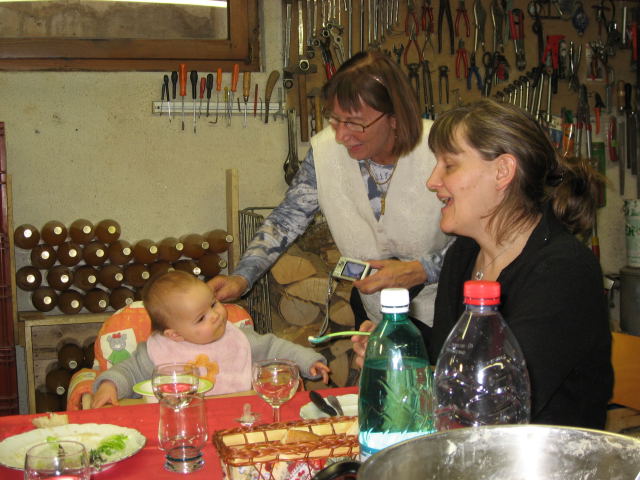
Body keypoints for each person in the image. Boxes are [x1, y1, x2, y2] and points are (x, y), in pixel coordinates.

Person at [353, 100, 613, 429]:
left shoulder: (564, 272)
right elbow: (453, 360)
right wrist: (398, 347)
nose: (432, 181)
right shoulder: (463, 254)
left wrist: (408, 380)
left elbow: (497, 402)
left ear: (502, 172)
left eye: (449, 165)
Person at [209, 51, 450, 338]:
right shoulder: (326, 152)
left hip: (443, 314)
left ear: (395, 118)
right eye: (335, 120)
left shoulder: (441, 149)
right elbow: (286, 220)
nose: (340, 136)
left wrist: (423, 269)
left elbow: (482, 238)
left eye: (355, 123)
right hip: (374, 313)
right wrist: (241, 276)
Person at [91, 271, 330, 408]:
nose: (215, 316)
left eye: (213, 304)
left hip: (239, 420)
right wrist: (109, 385)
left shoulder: (239, 338)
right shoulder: (158, 351)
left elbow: (276, 348)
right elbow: (128, 371)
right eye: (201, 318)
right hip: (181, 427)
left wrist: (308, 361)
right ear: (174, 334)